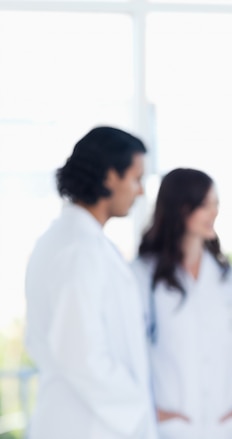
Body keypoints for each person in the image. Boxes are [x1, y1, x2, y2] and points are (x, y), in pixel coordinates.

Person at [24, 126, 157, 438]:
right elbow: (80, 356)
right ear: (111, 176)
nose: (140, 191)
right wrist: (138, 407)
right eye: (136, 179)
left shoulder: (82, 242)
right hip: (85, 424)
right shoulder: (77, 250)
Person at [131, 167, 232, 439]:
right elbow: (130, 353)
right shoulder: (142, 275)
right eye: (204, 205)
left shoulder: (228, 277)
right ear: (180, 208)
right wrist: (152, 410)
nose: (214, 213)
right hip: (170, 426)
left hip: (226, 425)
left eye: (216, 204)